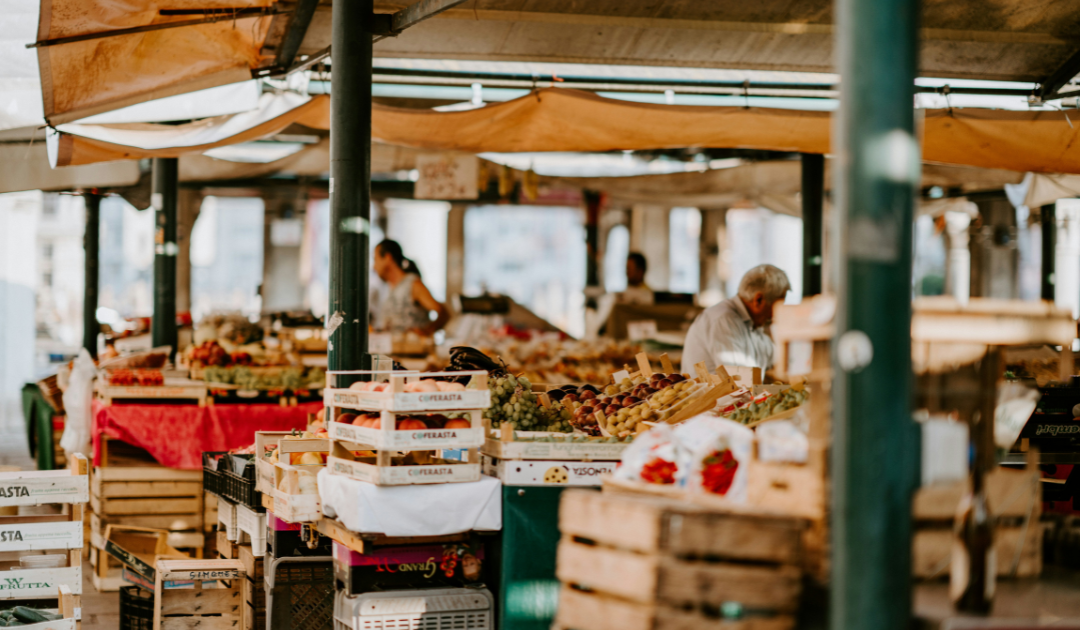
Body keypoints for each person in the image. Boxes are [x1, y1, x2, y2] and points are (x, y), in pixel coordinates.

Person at [681, 264, 791, 374]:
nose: (776, 314)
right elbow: (740, 379)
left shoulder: (752, 324)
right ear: (759, 300)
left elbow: (777, 358)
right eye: (778, 305)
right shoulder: (724, 320)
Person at [372, 240, 450, 335]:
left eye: (376, 260)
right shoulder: (388, 288)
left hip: (413, 349)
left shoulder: (413, 284)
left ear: (388, 258)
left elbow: (444, 313)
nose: (374, 267)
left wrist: (427, 331)